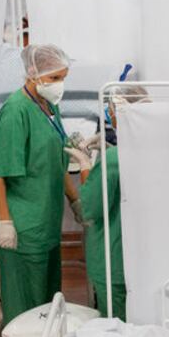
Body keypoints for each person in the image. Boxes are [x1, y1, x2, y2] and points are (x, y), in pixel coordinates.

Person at [0, 44, 82, 327]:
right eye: (54, 78)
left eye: (63, 77)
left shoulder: (49, 106)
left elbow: (57, 159)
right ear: (33, 73)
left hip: (44, 220)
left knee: (47, 299)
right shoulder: (16, 111)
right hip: (22, 226)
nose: (59, 85)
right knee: (23, 304)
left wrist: (75, 200)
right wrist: (5, 222)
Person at [64, 85, 149, 322]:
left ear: (116, 114)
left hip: (115, 261)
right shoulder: (159, 149)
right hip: (148, 258)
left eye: (110, 111)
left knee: (116, 324)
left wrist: (85, 166)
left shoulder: (112, 160)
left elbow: (90, 208)